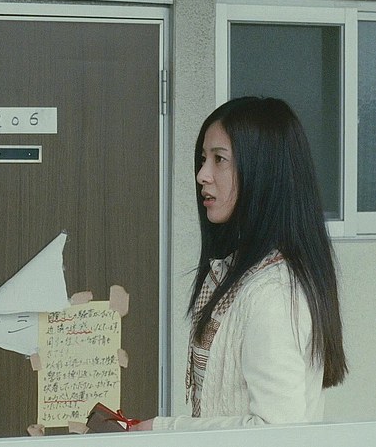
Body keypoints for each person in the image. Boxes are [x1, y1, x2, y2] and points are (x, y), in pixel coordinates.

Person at [132, 97, 347, 431]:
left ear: (264, 172)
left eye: (219, 159)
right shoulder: (237, 271)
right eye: (203, 159)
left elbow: (276, 431)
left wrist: (162, 429)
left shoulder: (274, 294)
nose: (202, 175)